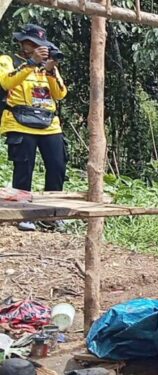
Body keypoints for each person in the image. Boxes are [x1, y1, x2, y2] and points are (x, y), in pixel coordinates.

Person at [0, 24, 68, 232]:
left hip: (49, 124)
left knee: (57, 165)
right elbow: (5, 83)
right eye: (32, 44)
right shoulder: (8, 60)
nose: (38, 48)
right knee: (24, 168)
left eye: (41, 45)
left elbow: (60, 94)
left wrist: (50, 71)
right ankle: (23, 214)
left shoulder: (48, 68)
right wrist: (31, 63)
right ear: (22, 43)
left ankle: (49, 215)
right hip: (19, 121)